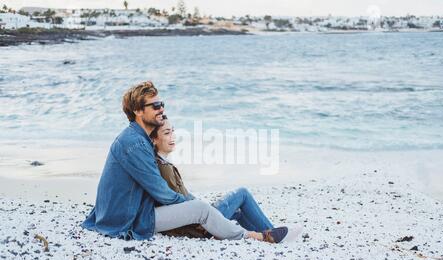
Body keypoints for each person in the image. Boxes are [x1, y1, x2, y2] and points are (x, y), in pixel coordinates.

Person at [81, 80, 291, 243]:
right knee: (201, 209)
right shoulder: (133, 143)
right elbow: (161, 192)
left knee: (207, 209)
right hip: (128, 219)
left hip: (134, 211)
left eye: (161, 104)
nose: (161, 108)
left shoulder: (140, 140)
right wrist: (196, 208)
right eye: (154, 105)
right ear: (137, 111)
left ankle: (270, 232)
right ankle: (255, 238)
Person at [150, 116, 277, 240]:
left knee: (237, 212)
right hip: (199, 225)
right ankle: (273, 234)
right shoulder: (163, 167)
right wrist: (202, 216)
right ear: (154, 139)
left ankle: (266, 235)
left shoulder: (163, 163)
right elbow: (178, 205)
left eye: (173, 131)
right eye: (167, 133)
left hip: (198, 219)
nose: (172, 136)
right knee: (242, 193)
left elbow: (182, 199)